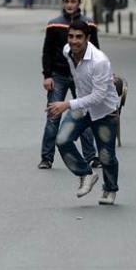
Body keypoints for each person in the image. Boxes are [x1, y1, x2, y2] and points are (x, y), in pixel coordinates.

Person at [47, 20, 120, 205]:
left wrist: (67, 104)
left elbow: (99, 96)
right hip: (82, 107)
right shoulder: (67, 51)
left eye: (79, 37)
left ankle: (110, 189)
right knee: (62, 140)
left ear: (88, 38)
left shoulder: (99, 61)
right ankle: (86, 174)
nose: (74, 41)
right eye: (71, 36)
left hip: (105, 111)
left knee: (106, 156)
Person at [39, 0, 100, 169]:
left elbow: (95, 50)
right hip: (58, 75)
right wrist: (47, 76)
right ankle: (46, 157)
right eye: (67, 2)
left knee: (84, 115)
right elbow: (47, 52)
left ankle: (90, 156)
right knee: (53, 116)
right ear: (63, 3)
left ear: (79, 2)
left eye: (73, 1)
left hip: (82, 75)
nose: (70, 5)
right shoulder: (54, 25)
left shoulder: (89, 24)